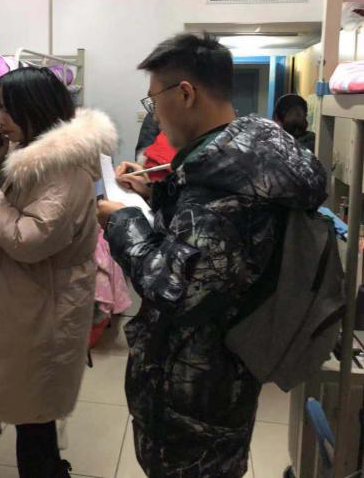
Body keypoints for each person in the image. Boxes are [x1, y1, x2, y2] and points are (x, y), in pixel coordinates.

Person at [97, 33, 327, 478]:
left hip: (196, 397)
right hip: (219, 380)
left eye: (153, 100)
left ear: (185, 93)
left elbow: (175, 289)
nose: (154, 114)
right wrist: (154, 192)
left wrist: (121, 221)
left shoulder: (223, 180)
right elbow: (207, 237)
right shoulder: (246, 154)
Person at [0, 67, 117, 478]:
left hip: (42, 309)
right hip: (29, 301)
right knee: (34, 416)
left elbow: (28, 239)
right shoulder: (34, 157)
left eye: (7, 110)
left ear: (36, 109)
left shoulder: (62, 170)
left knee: (35, 417)